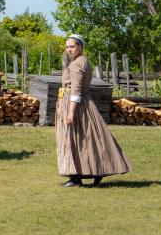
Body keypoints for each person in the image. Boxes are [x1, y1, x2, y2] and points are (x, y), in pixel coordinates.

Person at [56, 34, 131, 187]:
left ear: (80, 47)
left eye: (72, 46)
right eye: (67, 47)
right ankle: (92, 172)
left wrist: (71, 111)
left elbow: (76, 88)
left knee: (75, 139)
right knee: (87, 138)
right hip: (79, 102)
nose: (69, 50)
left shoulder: (78, 63)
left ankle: (76, 177)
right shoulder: (81, 61)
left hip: (75, 105)